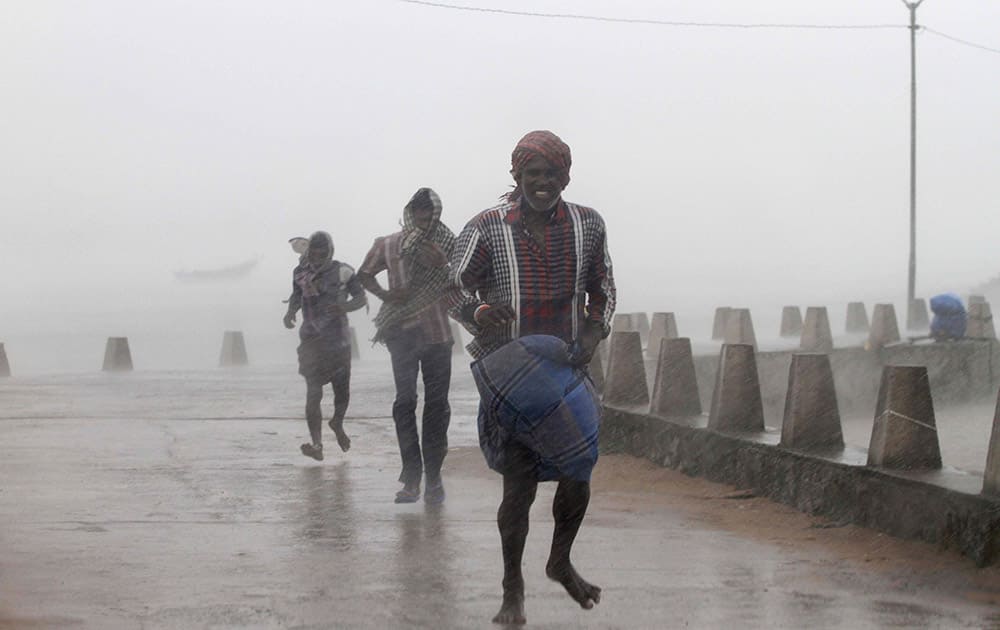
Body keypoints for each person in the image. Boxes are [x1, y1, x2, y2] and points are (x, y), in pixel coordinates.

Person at [449, 130, 616, 625]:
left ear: (566, 176)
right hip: (512, 374)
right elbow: (451, 287)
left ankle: (560, 559)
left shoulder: (588, 225)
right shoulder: (487, 228)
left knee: (579, 470)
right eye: (533, 175)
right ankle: (511, 589)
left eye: (552, 175)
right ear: (517, 177)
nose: (543, 183)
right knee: (517, 489)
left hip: (565, 369)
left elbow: (602, 285)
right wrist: (478, 311)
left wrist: (593, 330)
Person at [358, 188, 456, 504]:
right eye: (419, 212)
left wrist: (443, 265)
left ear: (437, 213)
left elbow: (464, 281)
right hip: (401, 334)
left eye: (430, 212)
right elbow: (365, 274)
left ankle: (434, 478)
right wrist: (387, 297)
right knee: (405, 402)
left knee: (437, 407)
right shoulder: (389, 244)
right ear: (410, 213)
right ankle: (412, 477)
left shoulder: (449, 244)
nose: (424, 218)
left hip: (438, 335)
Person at [284, 231, 367, 461]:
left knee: (342, 393)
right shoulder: (301, 273)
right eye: (314, 254)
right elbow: (295, 295)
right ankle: (317, 444)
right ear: (309, 252)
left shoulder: (343, 272)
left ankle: (337, 423)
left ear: (330, 252)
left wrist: (344, 308)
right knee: (313, 393)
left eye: (322, 254)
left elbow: (361, 299)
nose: (318, 258)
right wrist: (290, 311)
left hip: (338, 342)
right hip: (311, 341)